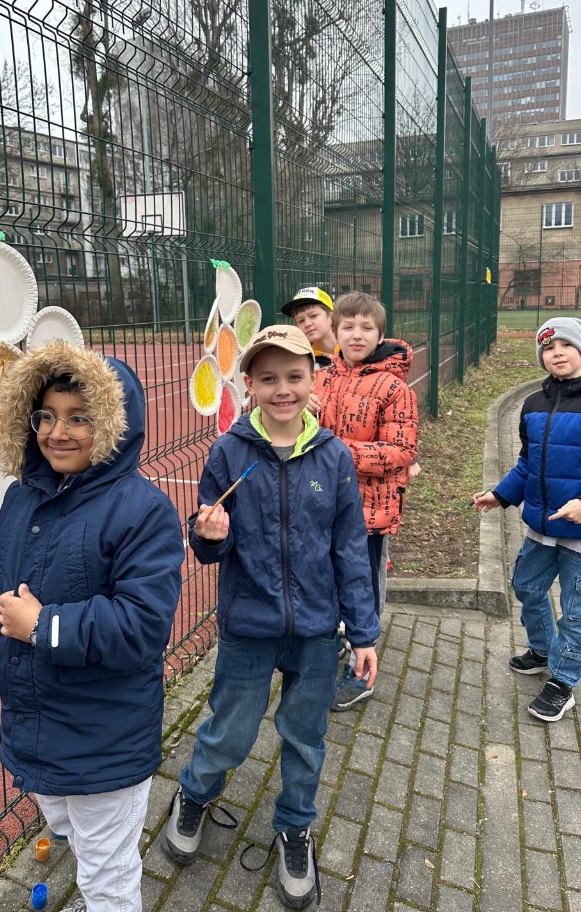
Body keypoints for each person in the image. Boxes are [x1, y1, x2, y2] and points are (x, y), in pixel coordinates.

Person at [0, 341, 184, 912]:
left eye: (79, 418)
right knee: (66, 823)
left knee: (107, 877)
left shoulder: (143, 511)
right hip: (39, 727)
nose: (57, 432)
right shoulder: (26, 497)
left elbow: (142, 625)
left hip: (104, 742)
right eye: (46, 416)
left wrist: (44, 626)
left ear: (114, 423)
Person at [161, 324, 379, 909]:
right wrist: (208, 536)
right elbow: (208, 540)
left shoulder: (333, 457)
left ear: (313, 380)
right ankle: (194, 794)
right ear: (250, 385)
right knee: (230, 731)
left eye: (294, 376)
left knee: (305, 738)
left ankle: (295, 827)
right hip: (248, 627)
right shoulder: (229, 452)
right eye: (268, 378)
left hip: (317, 631)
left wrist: (363, 632)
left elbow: (350, 549)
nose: (283, 389)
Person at [473, 317, 581, 722]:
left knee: (577, 611)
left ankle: (563, 682)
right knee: (526, 586)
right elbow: (527, 464)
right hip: (541, 527)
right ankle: (543, 649)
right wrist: (501, 494)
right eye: (548, 348)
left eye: (565, 345)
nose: (557, 353)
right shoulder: (534, 404)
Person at [317, 292, 419, 710]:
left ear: (380, 335)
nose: (356, 335)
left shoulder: (395, 388)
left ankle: (362, 672)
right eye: (348, 327)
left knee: (362, 590)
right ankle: (330, 647)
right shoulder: (321, 379)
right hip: (321, 506)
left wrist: (336, 451)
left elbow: (400, 450)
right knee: (324, 581)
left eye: (366, 327)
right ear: (335, 332)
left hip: (368, 512)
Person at [280, 286, 338, 368]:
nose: (307, 324)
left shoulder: (352, 345)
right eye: (301, 321)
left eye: (313, 316)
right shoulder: (303, 359)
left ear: (331, 317)